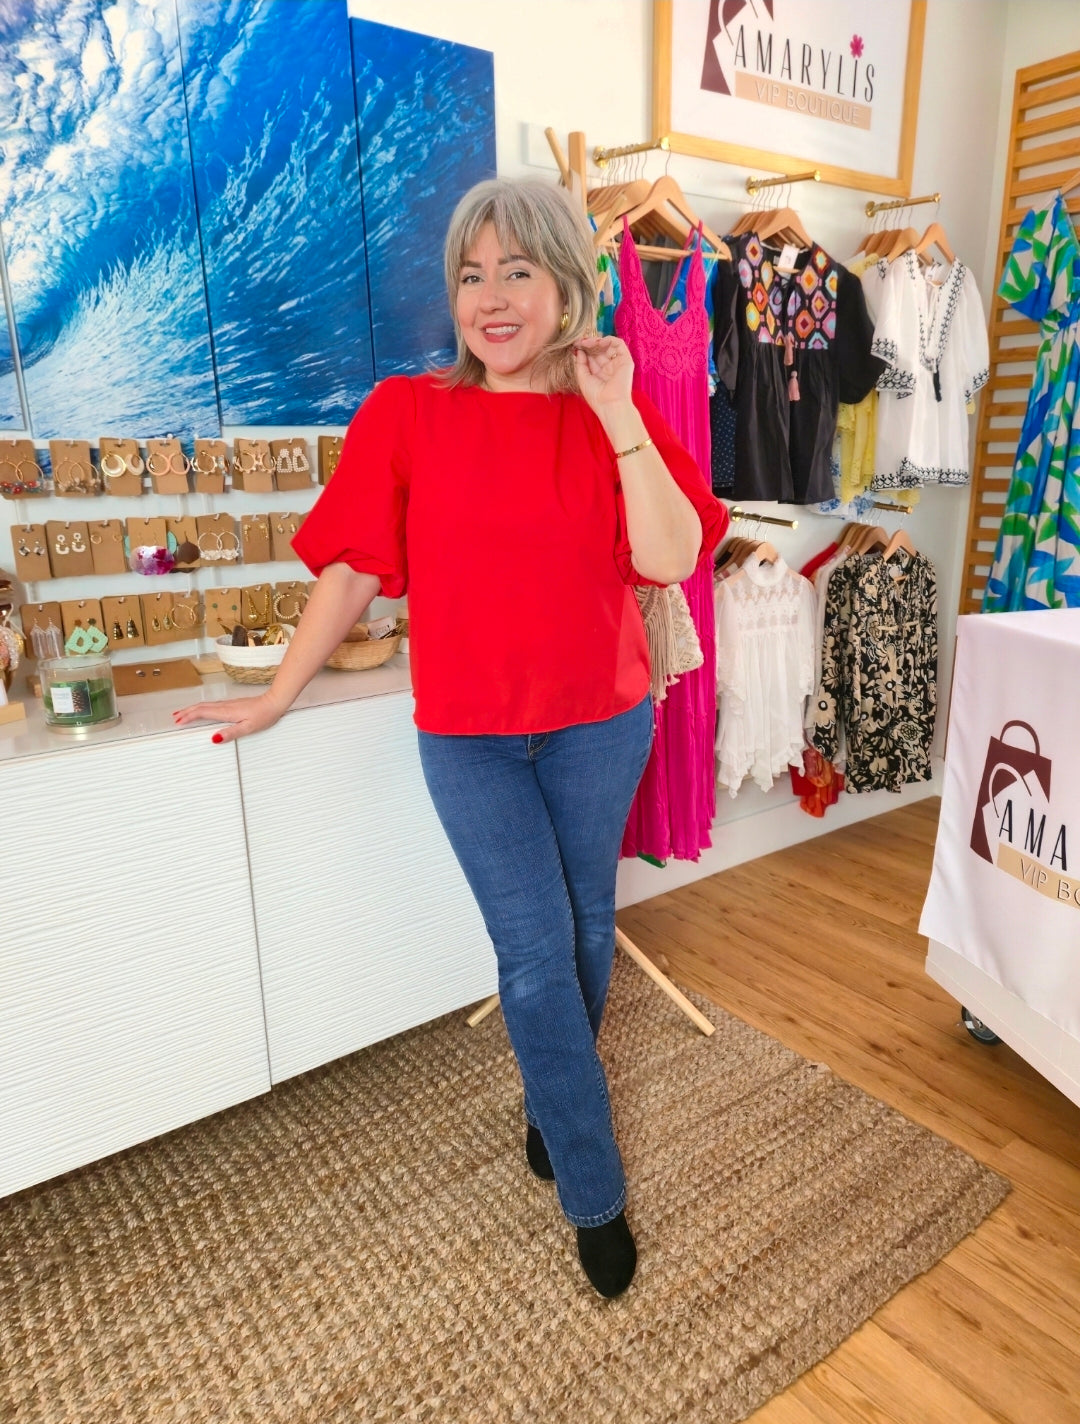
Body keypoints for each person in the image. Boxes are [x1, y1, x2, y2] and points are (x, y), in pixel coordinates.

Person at [174, 177, 727, 1297]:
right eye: (471, 275)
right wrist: (279, 691)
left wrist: (619, 412)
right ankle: (594, 1186)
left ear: (568, 280)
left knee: (581, 936)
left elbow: (671, 556)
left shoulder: (604, 410)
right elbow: (351, 567)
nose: (491, 297)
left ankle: (549, 1100)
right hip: (471, 735)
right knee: (533, 956)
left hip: (600, 720)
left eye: (517, 269)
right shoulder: (408, 413)